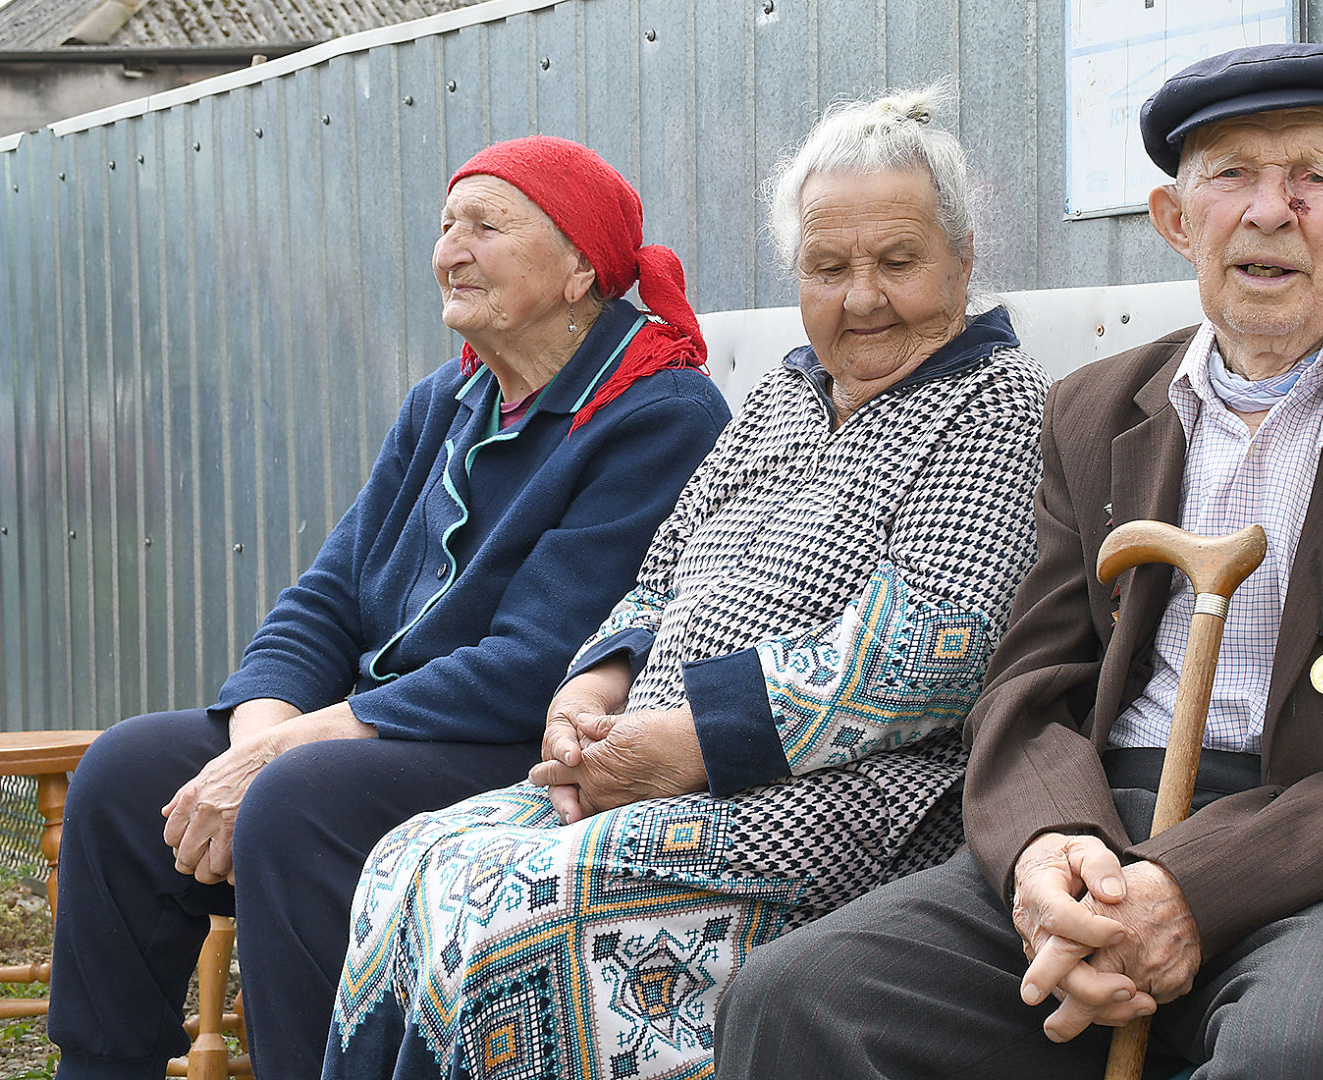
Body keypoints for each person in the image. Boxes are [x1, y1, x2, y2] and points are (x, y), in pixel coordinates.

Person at [718, 44, 1323, 1080]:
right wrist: (1051, 851)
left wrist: (1186, 885)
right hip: (1105, 824)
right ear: (1175, 219)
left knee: (1303, 1051)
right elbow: (1028, 684)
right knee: (792, 1001)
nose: (1270, 211)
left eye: (1314, 179)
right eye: (1230, 174)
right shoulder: (1095, 410)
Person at [322, 85, 1048, 1080]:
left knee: (517, 916)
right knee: (412, 865)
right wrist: (594, 687)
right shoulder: (784, 399)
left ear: (962, 262)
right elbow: (659, 573)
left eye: (898, 262)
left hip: (842, 804)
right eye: (829, 267)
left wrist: (694, 741)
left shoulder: (991, 403)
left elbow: (934, 648)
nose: (864, 297)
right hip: (649, 765)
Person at [48, 136, 733, 1080]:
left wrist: (291, 753)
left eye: (487, 226)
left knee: (294, 801)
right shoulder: (444, 402)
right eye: (446, 225)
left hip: (523, 743)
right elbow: (327, 598)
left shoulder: (661, 412)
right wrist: (262, 732)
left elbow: (537, 660)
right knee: (125, 773)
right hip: (374, 729)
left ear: (582, 268)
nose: (452, 248)